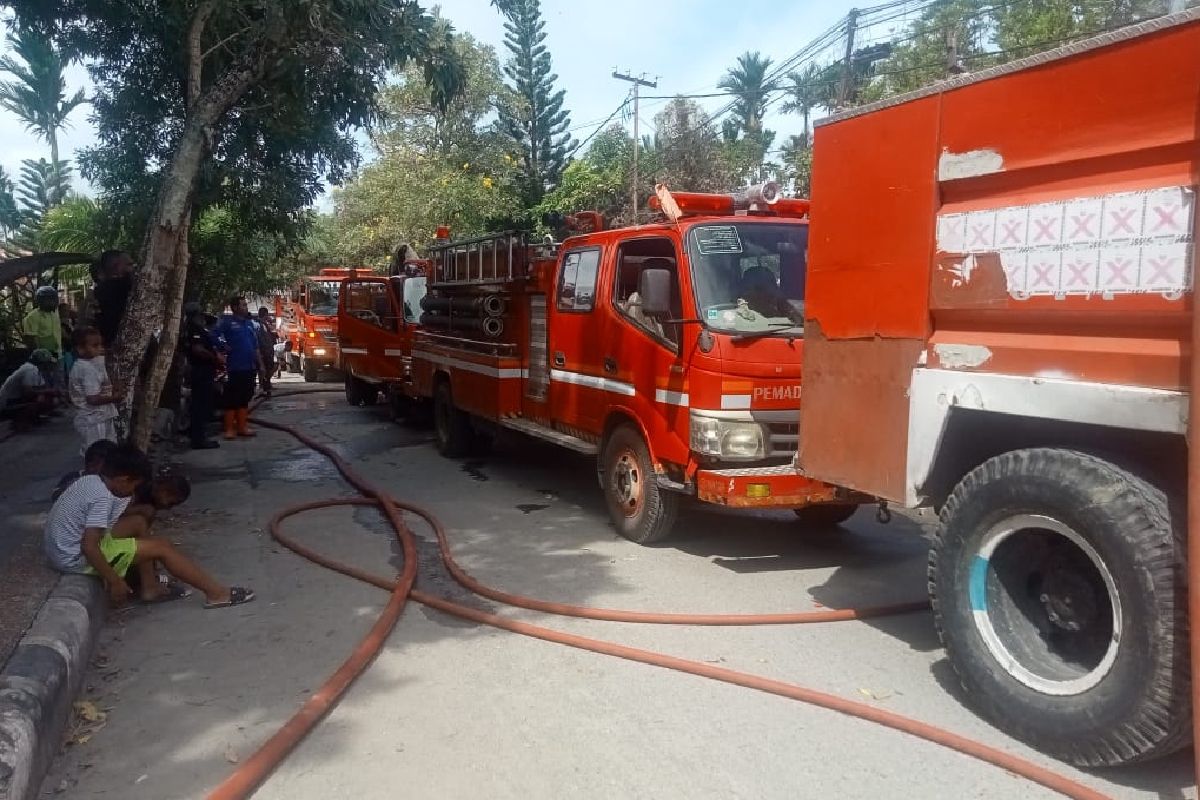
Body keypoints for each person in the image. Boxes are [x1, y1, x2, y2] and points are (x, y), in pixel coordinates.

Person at [43, 444, 254, 608]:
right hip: (74, 557)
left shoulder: (91, 481)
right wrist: (114, 580)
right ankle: (217, 594)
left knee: (137, 523)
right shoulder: (102, 497)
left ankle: (149, 587)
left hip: (63, 548)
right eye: (134, 485)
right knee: (162, 547)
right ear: (123, 479)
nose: (134, 490)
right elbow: (90, 547)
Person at [68, 327, 123, 453]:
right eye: (95, 346)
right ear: (80, 349)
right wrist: (116, 398)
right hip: (93, 419)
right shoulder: (86, 369)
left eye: (100, 345)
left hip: (100, 416)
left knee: (106, 450)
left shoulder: (90, 364)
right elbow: (92, 399)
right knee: (97, 451)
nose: (100, 349)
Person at [215, 297, 262, 439]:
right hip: (234, 367)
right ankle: (229, 429)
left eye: (246, 305)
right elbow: (214, 335)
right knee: (231, 399)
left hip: (249, 367)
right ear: (235, 307)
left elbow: (255, 347)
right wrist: (221, 348)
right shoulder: (227, 323)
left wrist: (261, 365)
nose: (246, 307)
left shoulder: (249, 325)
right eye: (243, 305)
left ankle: (242, 427)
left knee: (244, 397)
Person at [181, 302, 222, 449]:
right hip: (201, 371)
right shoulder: (194, 329)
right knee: (200, 405)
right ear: (197, 314)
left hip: (199, 370)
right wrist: (214, 357)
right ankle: (198, 439)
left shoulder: (190, 328)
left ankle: (196, 435)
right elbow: (198, 349)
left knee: (198, 404)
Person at [0, 349, 59, 431]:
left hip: (16, 399)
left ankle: (32, 418)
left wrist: (52, 392)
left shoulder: (36, 370)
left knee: (48, 396)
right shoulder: (30, 370)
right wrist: (47, 392)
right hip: (8, 402)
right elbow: (28, 392)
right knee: (41, 399)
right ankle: (20, 421)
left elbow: (42, 387)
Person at [52, 439, 119, 502]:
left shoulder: (111, 480)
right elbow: (55, 496)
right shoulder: (74, 477)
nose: (92, 469)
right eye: (92, 464)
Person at [93, 250, 134, 349]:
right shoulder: (119, 286)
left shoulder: (100, 289)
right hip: (120, 343)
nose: (133, 268)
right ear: (117, 266)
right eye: (129, 264)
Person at [23, 286, 62, 358]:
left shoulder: (54, 315)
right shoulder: (32, 317)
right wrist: (41, 355)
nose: (53, 302)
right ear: (41, 300)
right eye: (49, 300)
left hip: (57, 354)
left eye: (54, 299)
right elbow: (31, 340)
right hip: (42, 357)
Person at [254, 306, 277, 398]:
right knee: (264, 369)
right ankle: (263, 387)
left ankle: (265, 386)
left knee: (266, 369)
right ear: (266, 314)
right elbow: (263, 340)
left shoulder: (262, 324)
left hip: (265, 351)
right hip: (264, 352)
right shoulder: (260, 325)